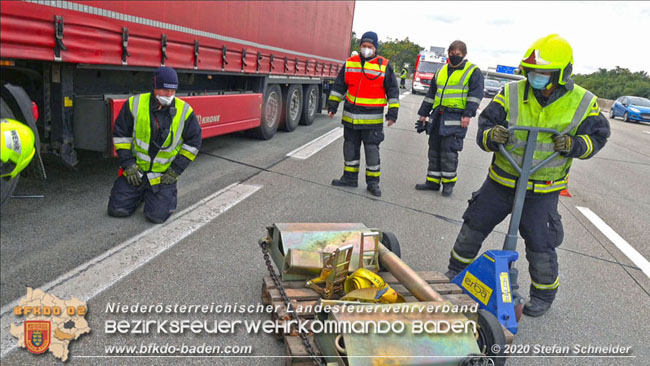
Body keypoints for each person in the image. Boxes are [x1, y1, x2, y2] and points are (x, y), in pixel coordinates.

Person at [444, 34, 610, 317]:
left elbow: (599, 135)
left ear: (562, 73)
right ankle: (455, 273)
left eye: (543, 73)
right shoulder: (510, 93)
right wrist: (491, 136)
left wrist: (575, 145)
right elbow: (486, 125)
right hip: (502, 181)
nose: (536, 77)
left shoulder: (583, 101)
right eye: (533, 72)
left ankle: (543, 295)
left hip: (543, 188)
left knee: (540, 243)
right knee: (474, 226)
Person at [108, 66, 202, 224]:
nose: (170, 95)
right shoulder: (134, 104)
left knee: (156, 217)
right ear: (155, 87)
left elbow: (193, 143)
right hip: (136, 171)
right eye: (166, 91)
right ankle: (140, 195)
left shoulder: (184, 111)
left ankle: (159, 196)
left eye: (173, 91)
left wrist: (175, 170)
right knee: (117, 210)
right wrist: (129, 164)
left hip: (162, 176)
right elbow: (121, 136)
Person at [327, 31, 400, 197]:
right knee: (350, 148)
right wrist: (332, 105)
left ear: (375, 48)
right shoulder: (350, 63)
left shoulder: (384, 65)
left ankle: (373, 183)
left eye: (370, 46)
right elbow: (339, 86)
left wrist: (392, 113)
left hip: (371, 120)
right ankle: (349, 178)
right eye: (364, 46)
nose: (366, 49)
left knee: (371, 151)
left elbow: (392, 91)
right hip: (350, 118)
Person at [415, 40, 484, 196]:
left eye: (457, 54)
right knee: (434, 149)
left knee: (449, 151)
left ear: (464, 55)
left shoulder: (473, 71)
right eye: (451, 54)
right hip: (438, 115)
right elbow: (431, 95)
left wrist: (468, 114)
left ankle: (448, 184)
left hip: (456, 117)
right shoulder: (441, 71)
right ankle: (432, 181)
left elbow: (475, 95)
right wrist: (423, 115)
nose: (453, 56)